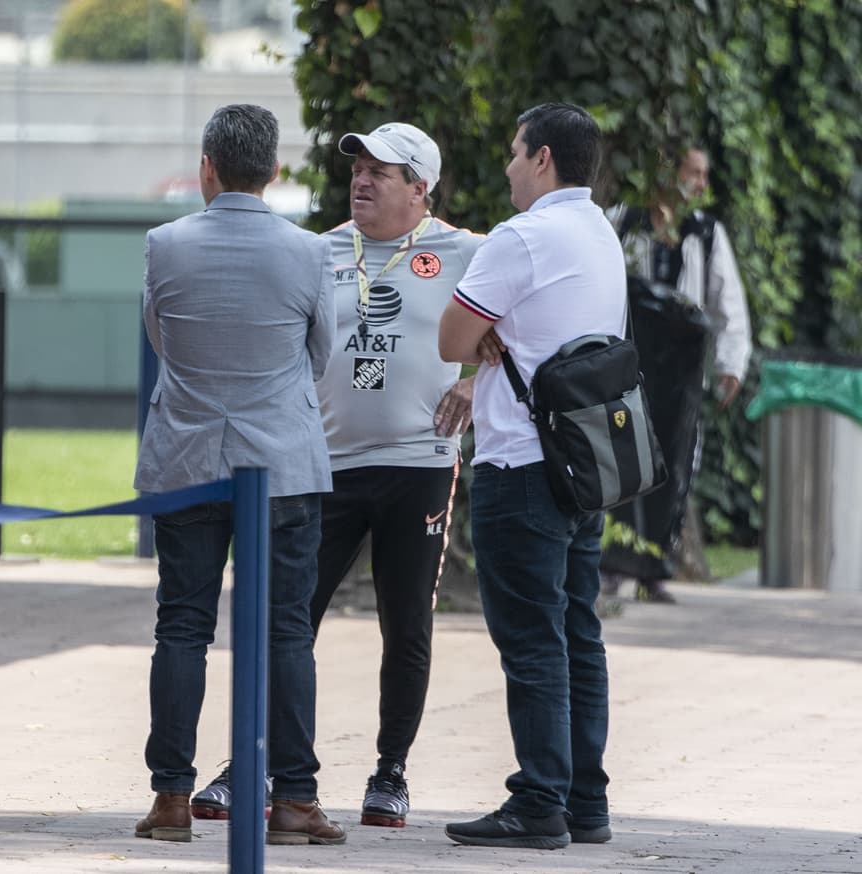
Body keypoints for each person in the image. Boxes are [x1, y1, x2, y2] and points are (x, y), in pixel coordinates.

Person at [187, 122, 480, 829]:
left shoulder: (468, 251)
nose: (363, 180)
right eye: (359, 168)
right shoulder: (317, 251)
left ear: (421, 188)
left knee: (405, 622)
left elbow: (528, 324)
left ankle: (391, 774)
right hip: (323, 463)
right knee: (287, 619)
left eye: (383, 171)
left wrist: (478, 378)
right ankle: (249, 766)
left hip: (419, 463)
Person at [132, 103, 344, 846]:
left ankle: (170, 798)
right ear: (274, 171)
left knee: (181, 626)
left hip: (186, 458)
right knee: (288, 630)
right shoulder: (310, 252)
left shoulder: (165, 244)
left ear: (206, 167)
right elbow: (321, 355)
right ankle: (293, 799)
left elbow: (160, 338)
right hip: (282, 462)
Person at [437, 103, 624, 849]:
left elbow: (453, 334)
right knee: (579, 630)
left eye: (516, 153)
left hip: (520, 464)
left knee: (532, 638)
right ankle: (586, 801)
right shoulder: (601, 233)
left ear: (542, 158)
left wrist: (484, 336)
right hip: (585, 467)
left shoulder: (522, 237)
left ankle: (537, 801)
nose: (510, 167)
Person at [600, 147, 752, 603]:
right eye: (694, 173)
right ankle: (611, 562)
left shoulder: (705, 233)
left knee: (674, 465)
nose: (701, 183)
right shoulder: (622, 221)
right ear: (668, 174)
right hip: (627, 362)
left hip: (682, 376)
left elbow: (729, 303)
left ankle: (653, 566)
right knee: (621, 459)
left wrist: (731, 365)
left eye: (704, 174)